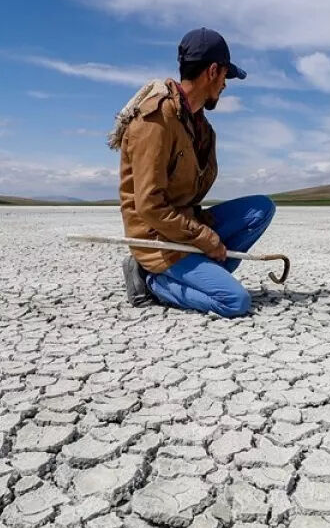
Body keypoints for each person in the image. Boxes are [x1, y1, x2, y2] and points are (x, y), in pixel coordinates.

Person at [109, 27, 276, 318]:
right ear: (213, 71)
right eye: (226, 76)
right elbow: (149, 206)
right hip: (158, 238)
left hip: (185, 225)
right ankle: (152, 280)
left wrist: (199, 233)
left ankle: (201, 273)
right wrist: (202, 237)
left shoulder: (200, 128)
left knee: (261, 209)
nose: (226, 85)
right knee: (234, 302)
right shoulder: (156, 120)